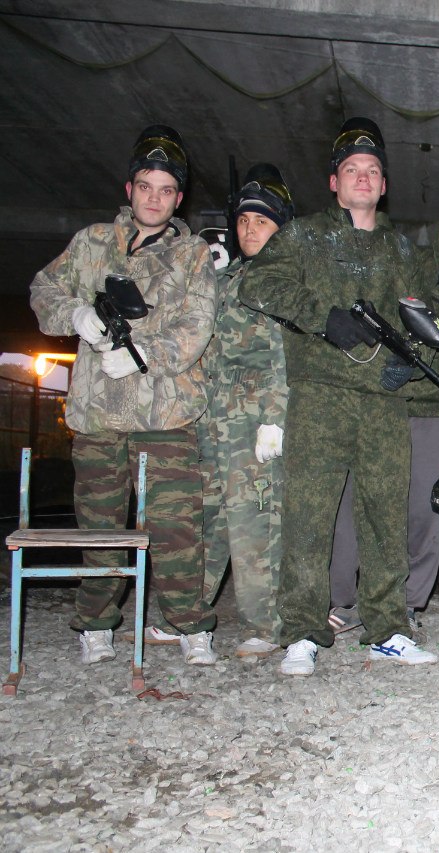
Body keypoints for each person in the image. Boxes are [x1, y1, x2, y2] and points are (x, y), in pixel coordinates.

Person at [240, 116, 436, 676]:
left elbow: (421, 317)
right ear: (334, 182)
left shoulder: (402, 248)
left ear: (384, 184)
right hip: (321, 396)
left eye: (373, 171)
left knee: (385, 520)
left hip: (381, 404)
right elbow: (258, 283)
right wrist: (320, 317)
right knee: (307, 517)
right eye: (352, 170)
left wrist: (411, 366)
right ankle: (302, 631)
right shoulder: (302, 235)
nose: (363, 179)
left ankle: (388, 628)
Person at [29, 124, 218, 666]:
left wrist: (142, 355)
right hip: (98, 416)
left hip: (165, 413)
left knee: (178, 529)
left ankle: (190, 625)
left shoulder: (192, 256)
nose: (154, 198)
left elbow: (196, 324)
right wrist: (77, 315)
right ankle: (95, 624)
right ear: (129, 188)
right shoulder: (90, 243)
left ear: (179, 198)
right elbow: (44, 289)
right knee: (100, 529)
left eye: (166, 189)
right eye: (145, 186)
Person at [327, 203, 439, 633]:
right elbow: (372, 316)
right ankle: (341, 601)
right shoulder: (408, 270)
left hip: (431, 413)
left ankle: (407, 603)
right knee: (353, 504)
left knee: (425, 510)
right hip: (378, 403)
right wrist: (380, 361)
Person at [194, 164, 295, 659]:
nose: (250, 229)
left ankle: (265, 622)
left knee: (256, 523)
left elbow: (286, 354)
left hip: (256, 422)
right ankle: (190, 614)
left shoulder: (284, 280)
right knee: (206, 516)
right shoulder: (227, 277)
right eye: (244, 221)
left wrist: (275, 418)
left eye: (262, 221)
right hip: (213, 419)